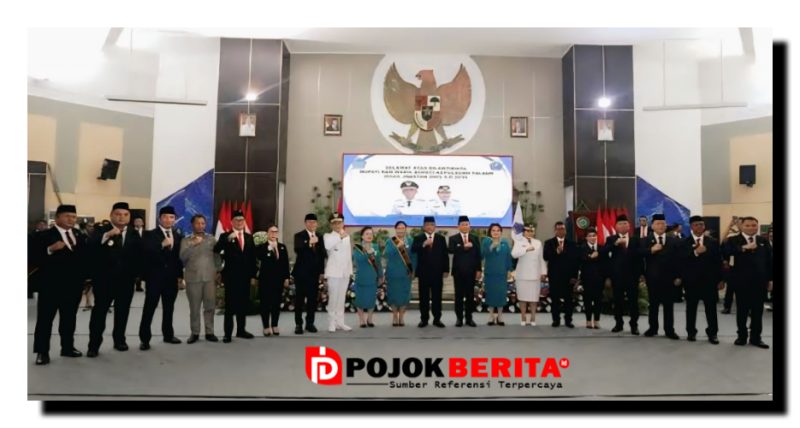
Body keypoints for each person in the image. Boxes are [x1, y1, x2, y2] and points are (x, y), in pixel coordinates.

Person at [86, 202, 145, 357]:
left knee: (122, 312)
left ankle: (119, 340)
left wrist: (136, 275)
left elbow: (139, 255)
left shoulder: (133, 233)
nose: (121, 217)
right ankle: (94, 345)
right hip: (104, 280)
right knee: (100, 312)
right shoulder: (101, 229)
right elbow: (90, 246)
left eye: (125, 215)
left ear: (129, 217)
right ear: (111, 215)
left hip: (126, 281)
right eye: (118, 214)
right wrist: (107, 235)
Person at [32, 204, 88, 365]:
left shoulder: (79, 235)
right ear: (57, 218)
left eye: (74, 217)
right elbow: (32, 256)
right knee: (45, 319)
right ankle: (42, 352)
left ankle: (67, 347)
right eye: (67, 216)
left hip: (73, 286)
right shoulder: (44, 235)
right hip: (50, 286)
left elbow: (84, 259)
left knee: (69, 318)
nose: (71, 219)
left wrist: (86, 279)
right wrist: (49, 249)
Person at [722, 216, 772, 349]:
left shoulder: (763, 241)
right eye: (747, 225)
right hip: (741, 282)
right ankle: (742, 336)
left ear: (757, 226)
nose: (751, 228)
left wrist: (770, 279)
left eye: (754, 225)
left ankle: (756, 338)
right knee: (742, 311)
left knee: (757, 311)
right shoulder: (733, 240)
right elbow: (725, 252)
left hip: (759, 282)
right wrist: (744, 248)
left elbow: (769, 261)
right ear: (742, 226)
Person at [138, 205, 184, 350]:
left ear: (175, 219)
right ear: (159, 218)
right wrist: (161, 245)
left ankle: (168, 335)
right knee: (149, 308)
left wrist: (180, 277)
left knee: (169, 309)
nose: (168, 220)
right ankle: (145, 339)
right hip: (154, 279)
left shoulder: (178, 235)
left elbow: (178, 259)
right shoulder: (149, 234)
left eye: (171, 217)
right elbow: (145, 253)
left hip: (171, 279)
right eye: (165, 217)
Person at [214, 209, 257, 342]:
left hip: (245, 277)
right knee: (230, 306)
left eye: (241, 220)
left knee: (243, 305)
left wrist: (253, 276)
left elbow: (252, 258)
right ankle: (227, 333)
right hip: (231, 277)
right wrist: (228, 239)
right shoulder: (225, 236)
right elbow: (216, 250)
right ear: (232, 222)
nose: (239, 222)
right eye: (237, 220)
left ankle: (241, 330)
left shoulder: (249, 237)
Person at [680, 216, 723, 344]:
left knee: (711, 309)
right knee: (691, 308)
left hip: (709, 281)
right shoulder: (684, 242)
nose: (699, 227)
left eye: (701, 224)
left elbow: (718, 261)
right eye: (696, 224)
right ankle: (691, 332)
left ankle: (713, 333)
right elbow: (681, 259)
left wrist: (721, 279)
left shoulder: (712, 242)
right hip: (691, 281)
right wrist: (695, 253)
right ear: (691, 227)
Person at [179, 214, 221, 344]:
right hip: (193, 279)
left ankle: (210, 332)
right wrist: (193, 244)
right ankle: (195, 332)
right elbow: (182, 257)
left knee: (210, 307)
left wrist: (218, 271)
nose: (200, 226)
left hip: (209, 278)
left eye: (203, 223)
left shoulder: (211, 239)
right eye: (197, 223)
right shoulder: (186, 240)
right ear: (192, 225)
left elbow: (217, 257)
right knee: (194, 308)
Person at [640, 213, 682, 339]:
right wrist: (651, 250)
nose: (661, 226)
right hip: (652, 278)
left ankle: (669, 330)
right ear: (652, 226)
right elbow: (638, 254)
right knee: (653, 305)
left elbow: (679, 260)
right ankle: (653, 328)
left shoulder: (674, 241)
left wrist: (679, 276)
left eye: (663, 223)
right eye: (658, 223)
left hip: (669, 279)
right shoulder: (645, 240)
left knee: (669, 305)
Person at [602, 214, 643, 335]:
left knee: (633, 302)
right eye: (620, 224)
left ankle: (634, 325)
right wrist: (615, 244)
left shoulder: (635, 240)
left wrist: (640, 274)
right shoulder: (611, 239)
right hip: (617, 277)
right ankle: (618, 324)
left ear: (629, 226)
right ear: (616, 227)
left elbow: (640, 258)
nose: (623, 225)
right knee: (617, 301)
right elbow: (603, 253)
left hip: (632, 277)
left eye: (625, 223)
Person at [292, 213, 327, 334]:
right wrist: (309, 243)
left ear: (317, 224)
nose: (312, 224)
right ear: (305, 223)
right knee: (299, 300)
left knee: (312, 300)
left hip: (314, 274)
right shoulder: (299, 235)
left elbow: (322, 255)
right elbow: (298, 249)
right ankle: (298, 324)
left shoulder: (320, 236)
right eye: (309, 222)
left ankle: (310, 323)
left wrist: (322, 272)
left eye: (314, 222)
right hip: (301, 274)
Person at [412, 216, 449, 328]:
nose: (429, 227)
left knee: (437, 297)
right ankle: (424, 319)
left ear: (435, 226)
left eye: (432, 225)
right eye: (427, 225)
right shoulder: (418, 238)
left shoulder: (441, 238)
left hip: (437, 273)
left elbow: (445, 255)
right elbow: (413, 249)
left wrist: (446, 270)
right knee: (423, 297)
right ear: (423, 226)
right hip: (423, 273)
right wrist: (423, 244)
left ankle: (437, 319)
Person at [543, 221, 579, 328]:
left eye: (562, 229)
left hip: (568, 277)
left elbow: (575, 261)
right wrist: (556, 252)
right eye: (558, 229)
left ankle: (568, 320)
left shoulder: (572, 244)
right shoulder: (549, 243)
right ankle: (556, 320)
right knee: (555, 300)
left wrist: (574, 276)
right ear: (555, 231)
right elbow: (545, 256)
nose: (561, 231)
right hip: (554, 276)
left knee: (569, 300)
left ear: (565, 231)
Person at [256, 224, 290, 336]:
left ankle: (275, 325)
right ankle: (266, 326)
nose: (274, 234)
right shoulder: (262, 247)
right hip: (265, 280)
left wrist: (286, 277)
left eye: (276, 232)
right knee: (265, 304)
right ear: (268, 233)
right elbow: (259, 257)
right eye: (272, 232)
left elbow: (285, 263)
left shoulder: (282, 247)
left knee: (276, 303)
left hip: (278, 280)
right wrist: (268, 249)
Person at [448, 215, 482, 327]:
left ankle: (469, 318)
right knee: (458, 296)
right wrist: (463, 247)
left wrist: (479, 270)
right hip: (458, 272)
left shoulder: (475, 238)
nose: (465, 226)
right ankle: (459, 318)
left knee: (470, 296)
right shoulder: (453, 238)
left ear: (469, 226)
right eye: (462, 224)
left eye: (467, 224)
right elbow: (451, 250)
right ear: (458, 226)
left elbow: (478, 255)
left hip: (471, 272)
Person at [323, 212, 353, 333]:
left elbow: (348, 255)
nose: (337, 225)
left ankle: (340, 322)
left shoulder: (347, 236)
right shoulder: (328, 236)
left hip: (344, 272)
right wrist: (340, 237)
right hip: (334, 272)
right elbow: (328, 246)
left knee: (341, 298)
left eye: (339, 222)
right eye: (334, 223)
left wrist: (350, 271)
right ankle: (332, 322)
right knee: (333, 298)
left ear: (343, 223)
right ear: (331, 225)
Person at [511, 224, 547, 326]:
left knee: (534, 298)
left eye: (531, 231)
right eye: (527, 231)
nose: (529, 233)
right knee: (522, 297)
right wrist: (525, 249)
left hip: (535, 274)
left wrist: (544, 272)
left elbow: (541, 259)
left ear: (534, 232)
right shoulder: (519, 242)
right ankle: (523, 317)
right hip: (522, 274)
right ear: (523, 232)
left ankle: (533, 317)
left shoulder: (538, 243)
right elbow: (513, 254)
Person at [384, 221, 416, 327]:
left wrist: (413, 270)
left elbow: (414, 257)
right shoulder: (390, 241)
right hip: (393, 273)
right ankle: (394, 316)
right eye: (399, 228)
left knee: (404, 295)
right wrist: (397, 246)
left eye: (403, 228)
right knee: (393, 294)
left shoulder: (410, 241)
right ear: (395, 229)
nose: (401, 230)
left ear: (406, 229)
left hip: (406, 273)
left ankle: (401, 316)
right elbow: (387, 254)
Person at [481, 223, 513, 326]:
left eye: (498, 230)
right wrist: (491, 247)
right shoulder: (486, 241)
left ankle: (500, 316)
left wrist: (509, 270)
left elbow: (508, 257)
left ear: (501, 232)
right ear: (490, 232)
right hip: (490, 273)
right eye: (493, 230)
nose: (496, 232)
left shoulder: (505, 242)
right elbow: (482, 255)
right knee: (490, 294)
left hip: (501, 273)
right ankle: (491, 316)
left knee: (501, 295)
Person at [353, 226, 383, 328]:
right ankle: (361, 320)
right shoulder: (357, 247)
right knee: (360, 300)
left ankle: (369, 319)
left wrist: (381, 276)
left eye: (371, 234)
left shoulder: (375, 247)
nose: (369, 235)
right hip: (361, 277)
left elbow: (378, 263)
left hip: (372, 277)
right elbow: (358, 259)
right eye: (367, 234)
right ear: (362, 236)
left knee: (371, 299)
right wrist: (368, 253)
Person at [579, 228, 605, 329]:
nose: (592, 238)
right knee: (587, 300)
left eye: (594, 235)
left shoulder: (601, 248)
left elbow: (605, 263)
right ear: (586, 238)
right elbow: (581, 260)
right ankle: (588, 320)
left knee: (598, 300)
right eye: (590, 236)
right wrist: (590, 257)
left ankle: (597, 320)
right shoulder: (582, 248)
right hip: (587, 278)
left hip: (599, 278)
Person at [721, 216, 743, 314]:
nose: (739, 225)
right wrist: (725, 260)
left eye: (740, 223)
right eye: (738, 223)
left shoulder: (752, 237)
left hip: (748, 267)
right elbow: (724, 244)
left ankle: (746, 308)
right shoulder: (733, 237)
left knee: (746, 289)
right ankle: (727, 307)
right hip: (733, 266)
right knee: (730, 288)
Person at [133, 217, 146, 292]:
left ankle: (139, 286)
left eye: (139, 221)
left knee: (140, 270)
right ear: (134, 223)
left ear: (142, 223)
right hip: (132, 255)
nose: (138, 222)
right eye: (136, 221)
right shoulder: (130, 232)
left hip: (142, 255)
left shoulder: (147, 233)